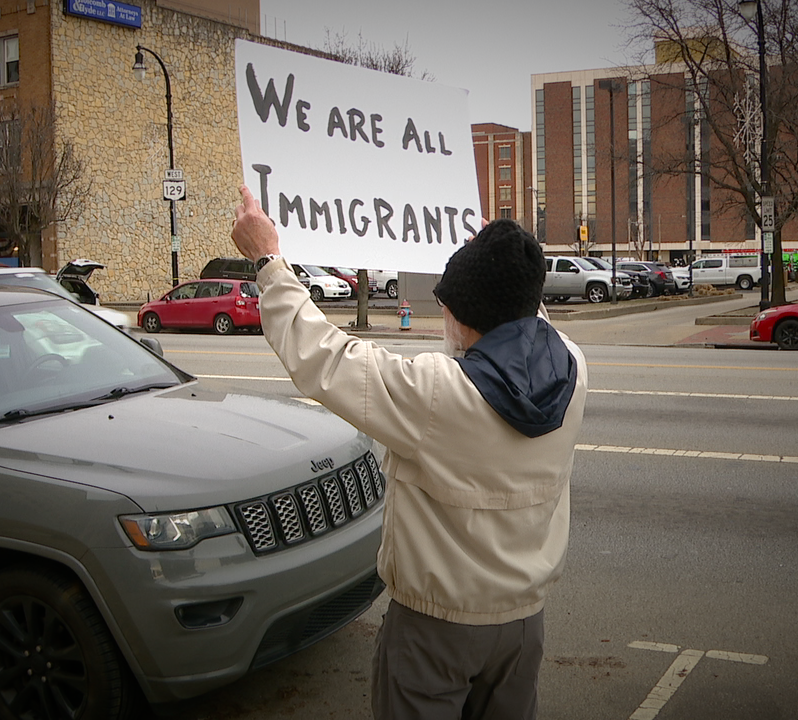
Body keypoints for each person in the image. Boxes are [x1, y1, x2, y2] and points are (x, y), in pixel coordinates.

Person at [230, 186, 588, 720]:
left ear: (467, 320)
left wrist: (267, 261)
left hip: (436, 631)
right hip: (522, 627)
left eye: (449, 310)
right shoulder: (573, 368)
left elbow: (321, 357)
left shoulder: (437, 394)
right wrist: (503, 260)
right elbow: (525, 317)